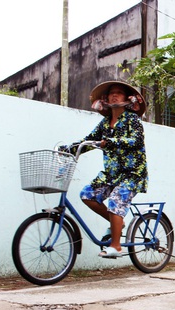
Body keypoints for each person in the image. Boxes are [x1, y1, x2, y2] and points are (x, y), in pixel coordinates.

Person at [63, 81, 148, 258]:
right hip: (111, 174)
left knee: (115, 201)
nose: (114, 95)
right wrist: (70, 148)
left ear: (127, 99)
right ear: (106, 99)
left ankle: (116, 246)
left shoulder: (132, 120)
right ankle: (118, 223)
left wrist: (111, 142)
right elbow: (90, 140)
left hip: (132, 173)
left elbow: (136, 141)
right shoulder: (104, 123)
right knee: (87, 194)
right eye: (111, 93)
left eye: (119, 93)